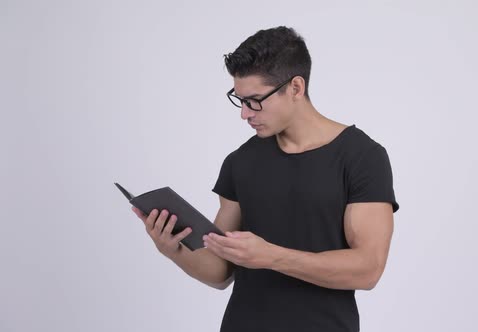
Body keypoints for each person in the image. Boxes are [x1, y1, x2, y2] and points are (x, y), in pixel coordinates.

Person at [132, 26, 400, 332]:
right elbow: (220, 271)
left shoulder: (362, 156)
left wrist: (272, 256)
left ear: (296, 88)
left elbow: (367, 270)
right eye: (240, 99)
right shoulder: (240, 161)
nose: (245, 114)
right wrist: (173, 249)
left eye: (255, 100)